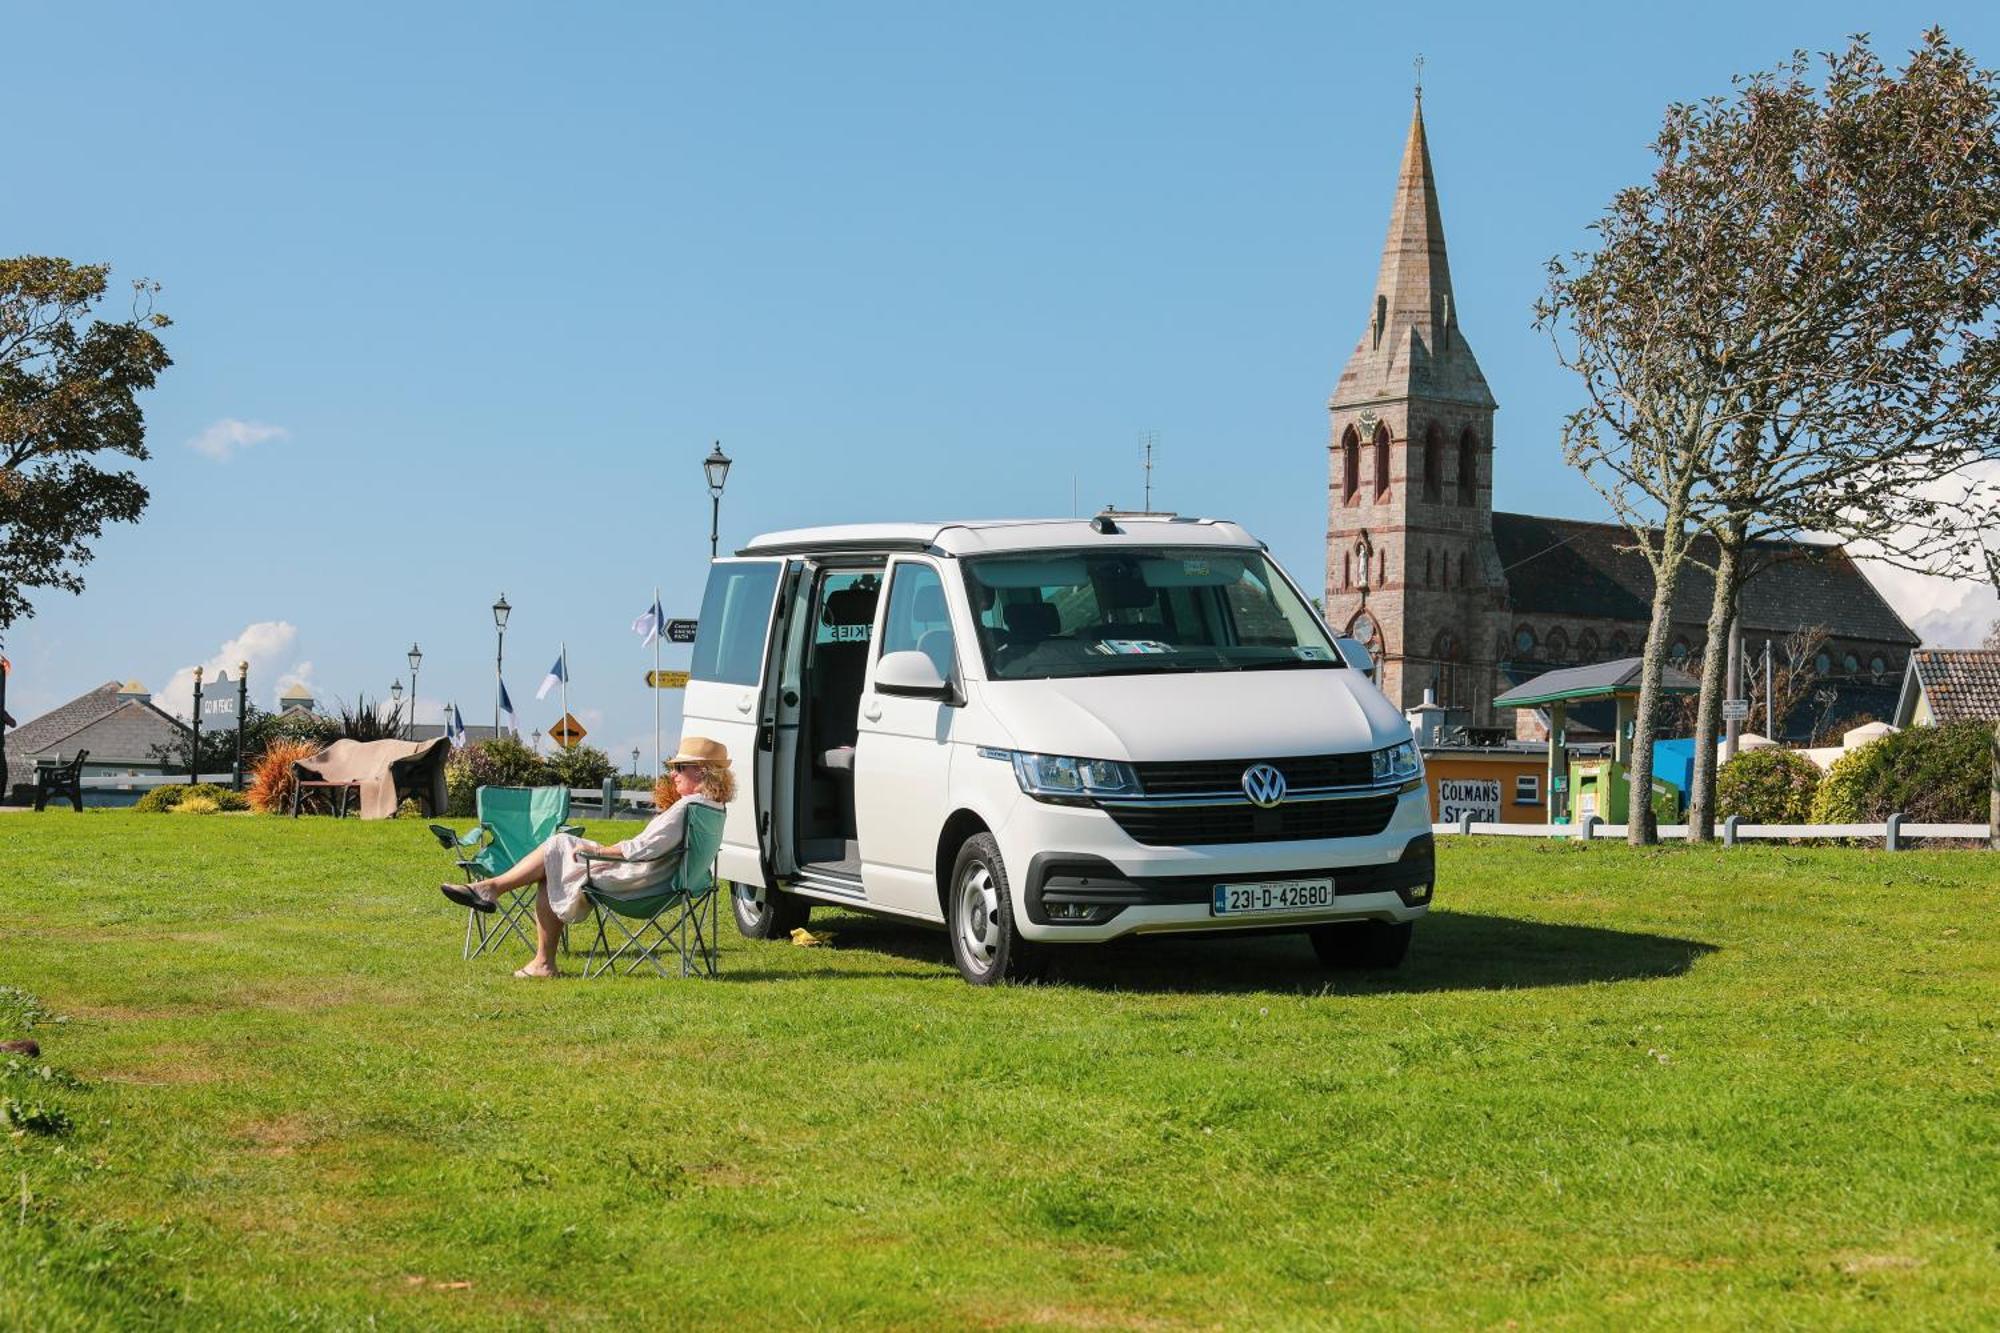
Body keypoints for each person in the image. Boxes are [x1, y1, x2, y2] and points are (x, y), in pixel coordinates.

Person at [441, 736, 734, 978]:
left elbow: (644, 848)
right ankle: (500, 902)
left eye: (679, 767)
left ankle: (503, 906)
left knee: (556, 850)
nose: (672, 773)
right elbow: (654, 847)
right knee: (556, 855)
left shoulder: (687, 808)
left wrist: (600, 851)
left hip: (640, 884)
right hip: (668, 884)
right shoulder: (712, 809)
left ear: (702, 771)